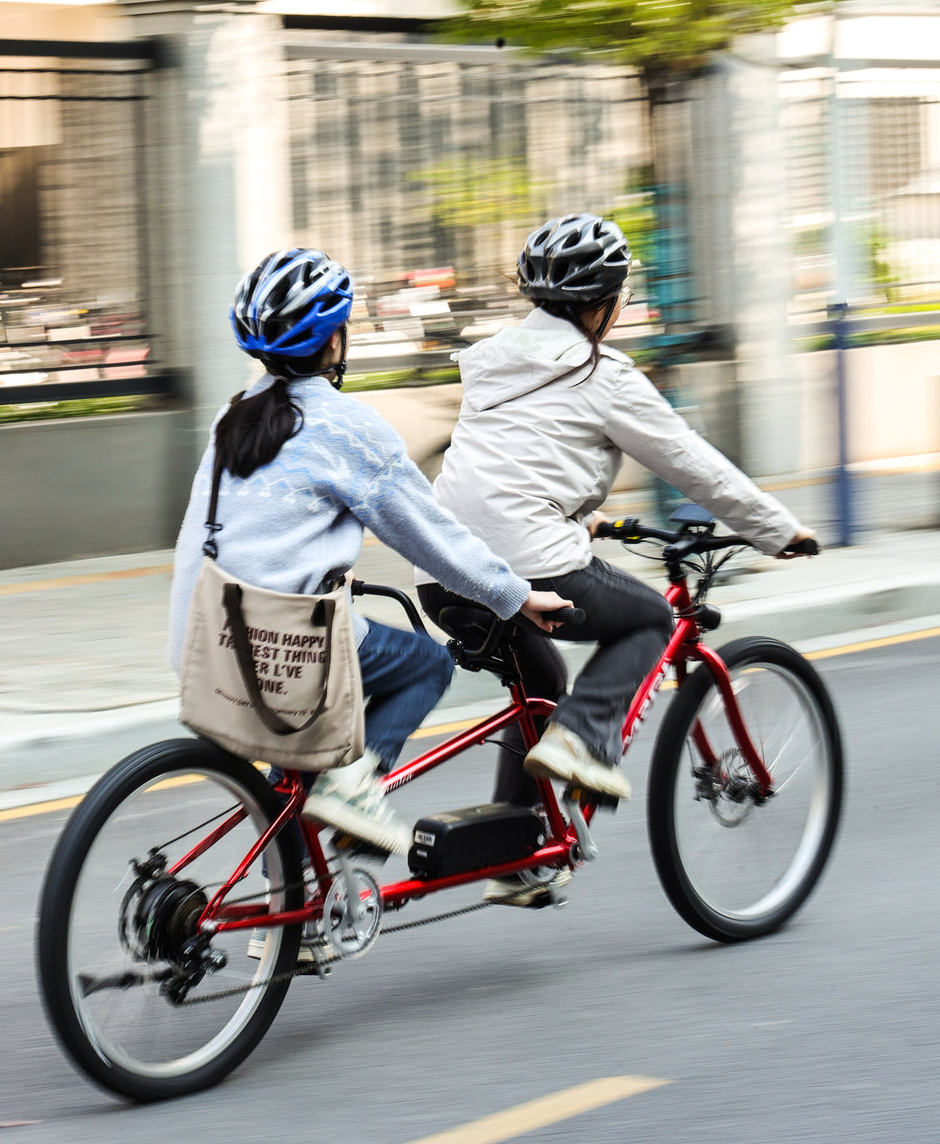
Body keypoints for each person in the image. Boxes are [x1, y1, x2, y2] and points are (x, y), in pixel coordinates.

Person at [417, 213, 816, 906]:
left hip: (443, 569)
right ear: (603, 303)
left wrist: (583, 513)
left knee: (539, 678)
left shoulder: (495, 360)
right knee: (648, 624)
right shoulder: (602, 373)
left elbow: (512, 464)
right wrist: (774, 528)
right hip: (530, 566)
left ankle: (518, 851)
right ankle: (581, 745)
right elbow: (692, 463)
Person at [168, 247, 571, 858]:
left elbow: (231, 534)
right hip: (284, 650)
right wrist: (515, 595)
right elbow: (432, 537)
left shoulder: (235, 415)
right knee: (425, 665)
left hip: (203, 646)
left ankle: (288, 932)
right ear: (334, 342)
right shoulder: (346, 427)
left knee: (298, 776)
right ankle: (355, 787)